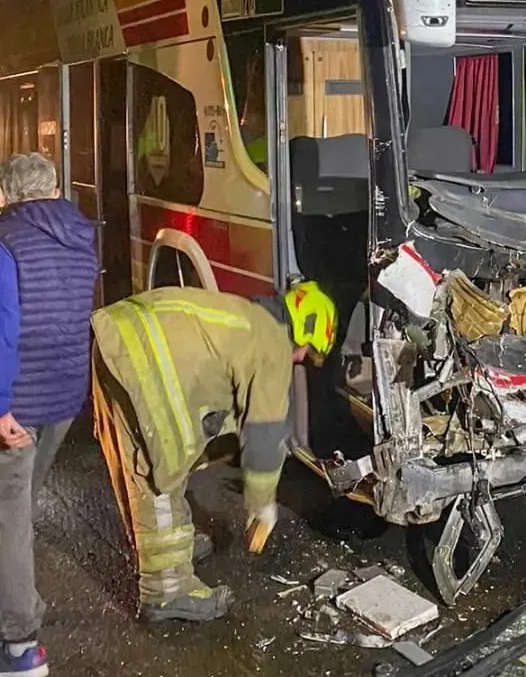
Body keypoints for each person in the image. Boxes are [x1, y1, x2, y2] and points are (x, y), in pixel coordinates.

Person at [91, 281, 337, 623]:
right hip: (144, 360)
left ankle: (162, 551)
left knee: (136, 458)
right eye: (306, 352)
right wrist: (263, 505)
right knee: (160, 463)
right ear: (303, 331)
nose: (300, 360)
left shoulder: (248, 317)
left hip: (118, 338)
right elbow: (265, 436)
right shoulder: (274, 345)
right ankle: (166, 590)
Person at [0, 152, 99, 677]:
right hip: (63, 396)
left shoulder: (6, 240)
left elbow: (5, 327)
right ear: (55, 186)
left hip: (17, 402)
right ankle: (14, 600)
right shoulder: (82, 237)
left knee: (8, 515)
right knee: (18, 507)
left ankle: (20, 645)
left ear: (6, 194)